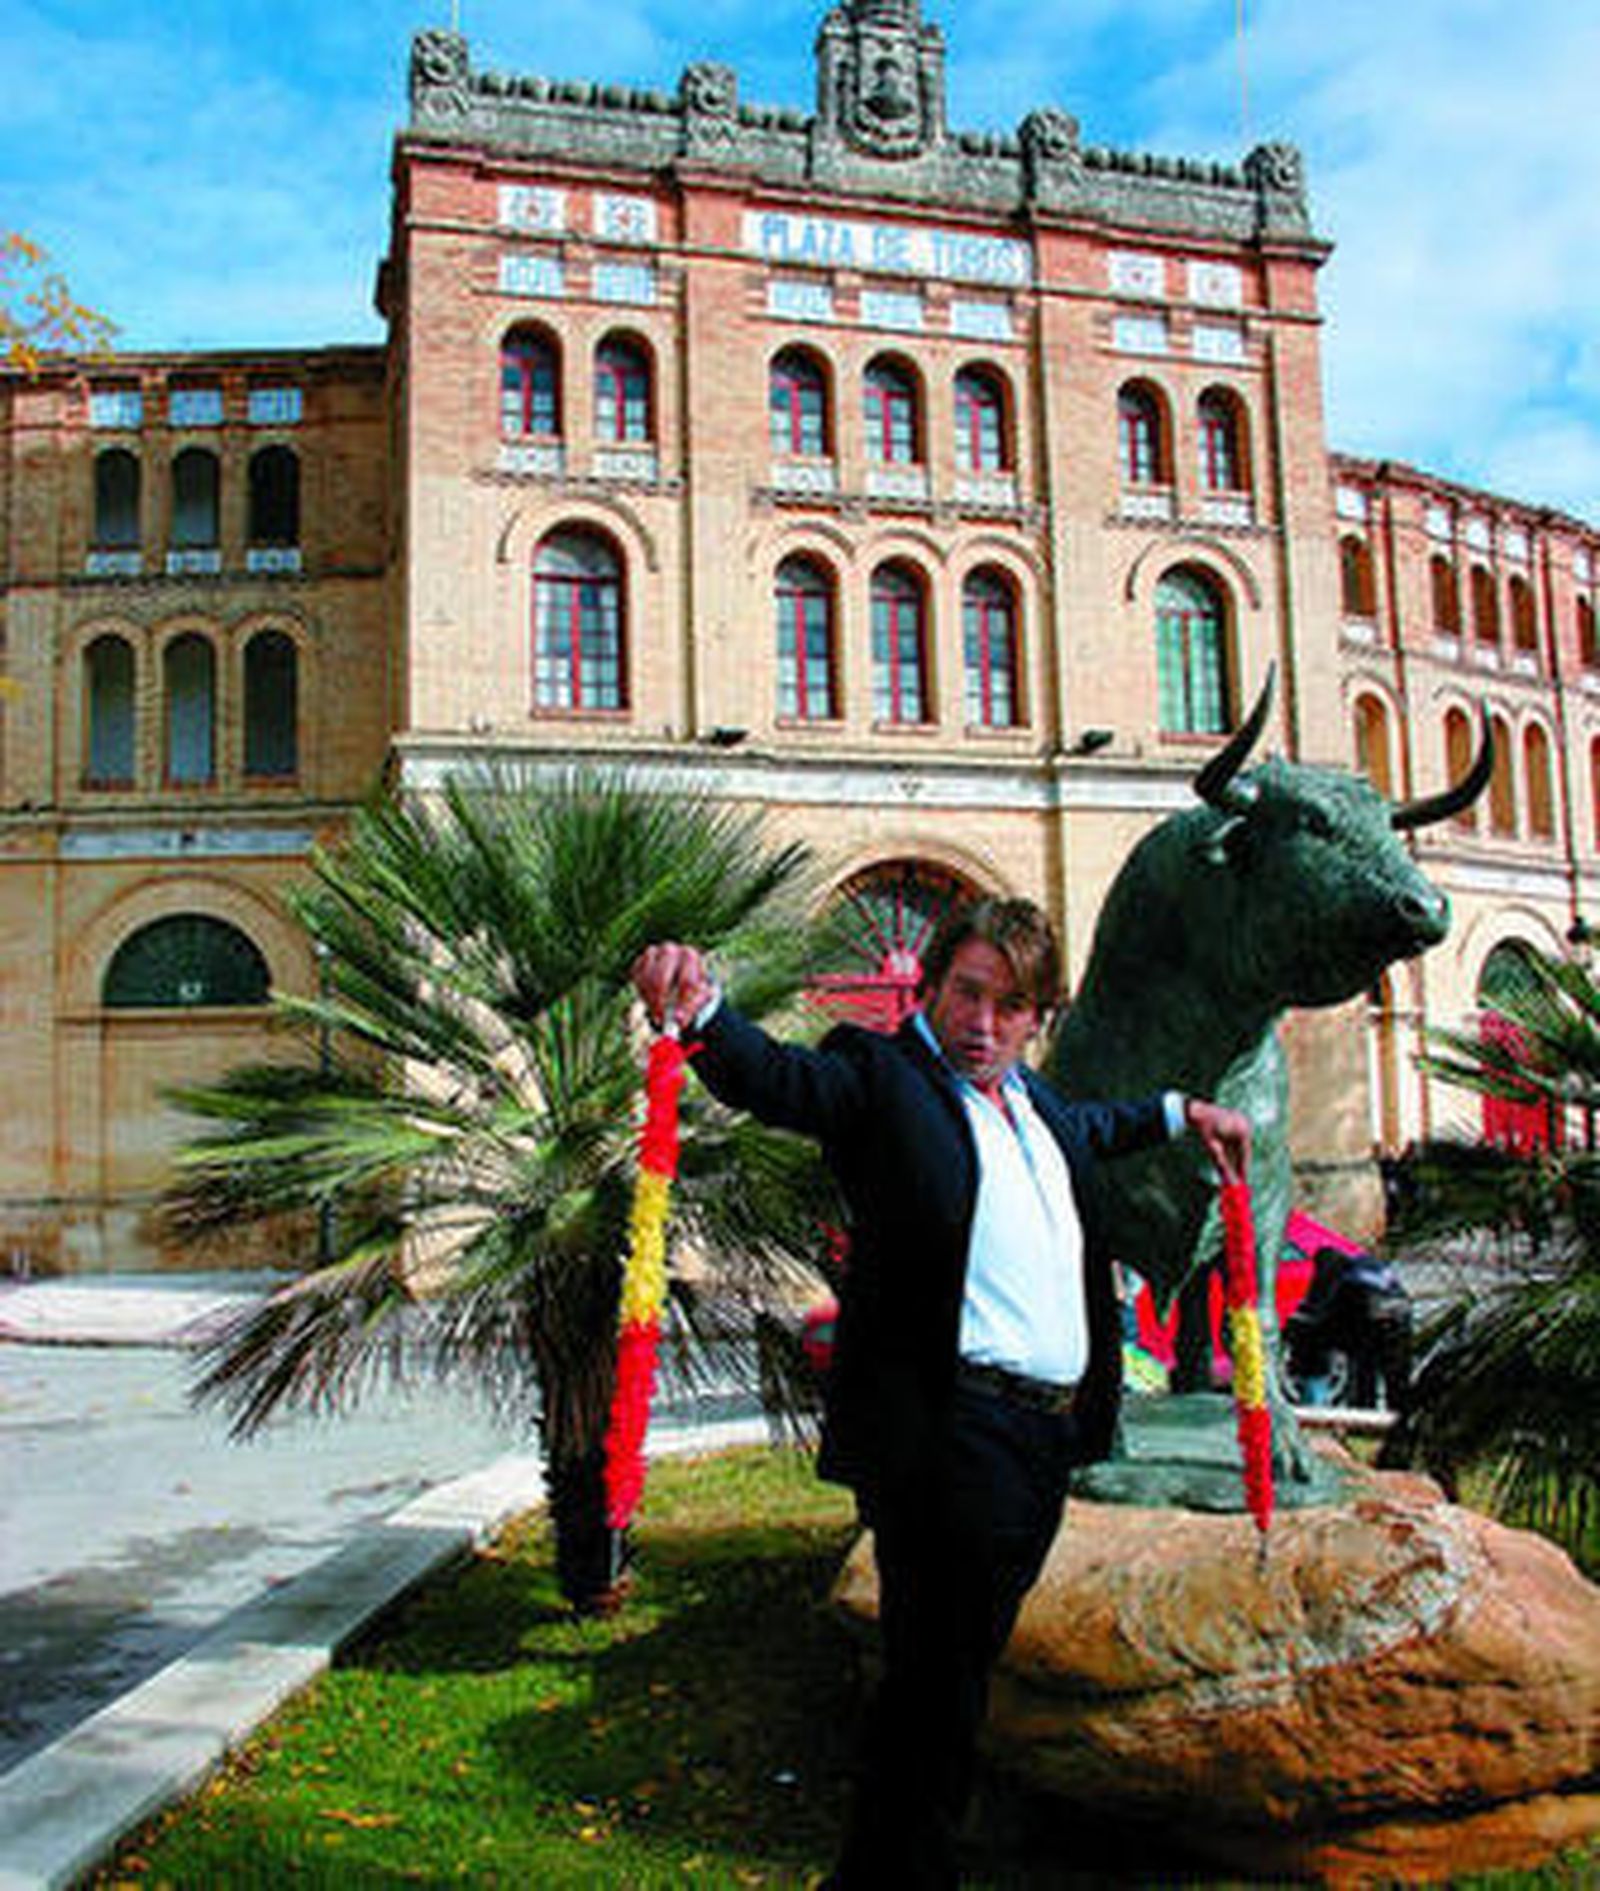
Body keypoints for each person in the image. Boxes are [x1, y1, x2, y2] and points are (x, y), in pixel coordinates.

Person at [632, 898, 1250, 1889]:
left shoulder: (1034, 1103)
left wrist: (1184, 1112)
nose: (984, 1021)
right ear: (930, 986)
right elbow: (787, 1081)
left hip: (1040, 1441)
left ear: (1038, 1017)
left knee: (946, 1682)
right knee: (938, 1684)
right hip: (948, 1433)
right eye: (968, 992)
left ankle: (883, 1870)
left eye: (1011, 1006)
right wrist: (703, 1013)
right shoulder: (883, 1078)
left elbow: (1099, 1124)